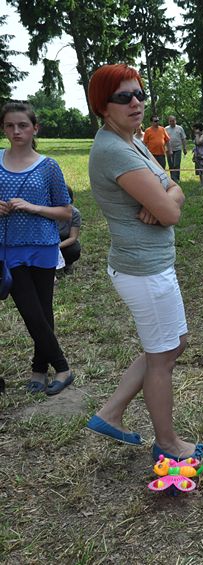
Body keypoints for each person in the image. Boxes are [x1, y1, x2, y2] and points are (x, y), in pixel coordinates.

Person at [85, 63, 203, 461]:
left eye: (139, 94)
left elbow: (174, 189)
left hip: (152, 265)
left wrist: (165, 197)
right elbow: (173, 210)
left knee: (173, 344)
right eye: (124, 97)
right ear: (103, 106)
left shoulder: (133, 141)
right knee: (162, 357)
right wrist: (167, 202)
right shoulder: (114, 150)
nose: (136, 102)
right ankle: (168, 443)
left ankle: (111, 412)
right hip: (143, 270)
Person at [0, 102, 75, 395]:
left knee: (43, 310)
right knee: (29, 311)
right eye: (9, 125)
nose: (16, 131)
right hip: (8, 248)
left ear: (35, 129)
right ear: (4, 128)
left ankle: (39, 368)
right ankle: (63, 366)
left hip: (43, 245)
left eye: (22, 125)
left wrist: (32, 207)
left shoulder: (49, 166)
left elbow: (66, 212)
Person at [57, 187, 82, 274]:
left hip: (63, 241)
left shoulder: (75, 213)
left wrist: (57, 247)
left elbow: (73, 238)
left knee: (74, 249)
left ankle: (67, 264)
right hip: (48, 241)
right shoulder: (47, 211)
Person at [164, 115, 187, 182]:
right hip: (168, 149)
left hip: (178, 149)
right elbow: (164, 139)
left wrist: (184, 148)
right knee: (171, 164)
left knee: (176, 164)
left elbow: (183, 138)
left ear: (175, 121)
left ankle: (177, 178)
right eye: (170, 121)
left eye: (173, 121)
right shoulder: (166, 129)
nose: (172, 122)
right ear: (168, 121)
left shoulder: (180, 128)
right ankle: (172, 178)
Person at [192, 122, 203, 187]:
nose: (193, 130)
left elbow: (198, 142)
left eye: (194, 129)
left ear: (198, 129)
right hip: (197, 154)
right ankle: (201, 184)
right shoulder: (198, 135)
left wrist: (197, 135)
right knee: (199, 170)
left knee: (202, 170)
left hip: (202, 154)